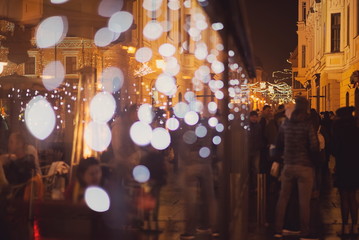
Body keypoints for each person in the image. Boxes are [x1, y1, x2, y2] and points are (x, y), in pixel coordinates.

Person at [274, 97, 319, 240]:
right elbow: (314, 146)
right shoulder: (307, 124)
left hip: (288, 165)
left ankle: (278, 228)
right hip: (304, 166)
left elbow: (279, 144)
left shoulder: (285, 124)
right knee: (304, 201)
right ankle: (304, 231)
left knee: (283, 198)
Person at [332, 106, 359, 235]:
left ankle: (345, 226)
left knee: (344, 197)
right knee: (353, 197)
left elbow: (334, 150)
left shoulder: (338, 131)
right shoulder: (356, 130)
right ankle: (355, 225)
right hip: (354, 166)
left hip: (342, 165)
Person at [2, 132, 43, 200]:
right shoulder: (26, 159)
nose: (8, 145)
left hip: (16, 200)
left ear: (20, 144)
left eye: (11, 142)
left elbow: (7, 185)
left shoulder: (26, 163)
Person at [248, 111, 262, 191]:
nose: (254, 118)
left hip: (256, 150)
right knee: (250, 167)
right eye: (252, 116)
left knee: (256, 168)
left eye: (255, 116)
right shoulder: (248, 126)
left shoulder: (258, 126)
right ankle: (250, 184)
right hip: (249, 150)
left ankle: (255, 185)